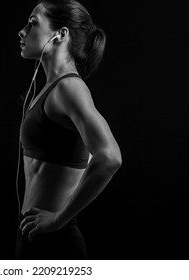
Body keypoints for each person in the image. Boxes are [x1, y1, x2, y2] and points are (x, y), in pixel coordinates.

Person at [15, 0, 122, 259]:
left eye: (32, 23)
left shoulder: (69, 88)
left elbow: (110, 157)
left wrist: (57, 220)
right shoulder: (48, 88)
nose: (22, 31)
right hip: (32, 235)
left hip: (56, 242)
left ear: (61, 34)